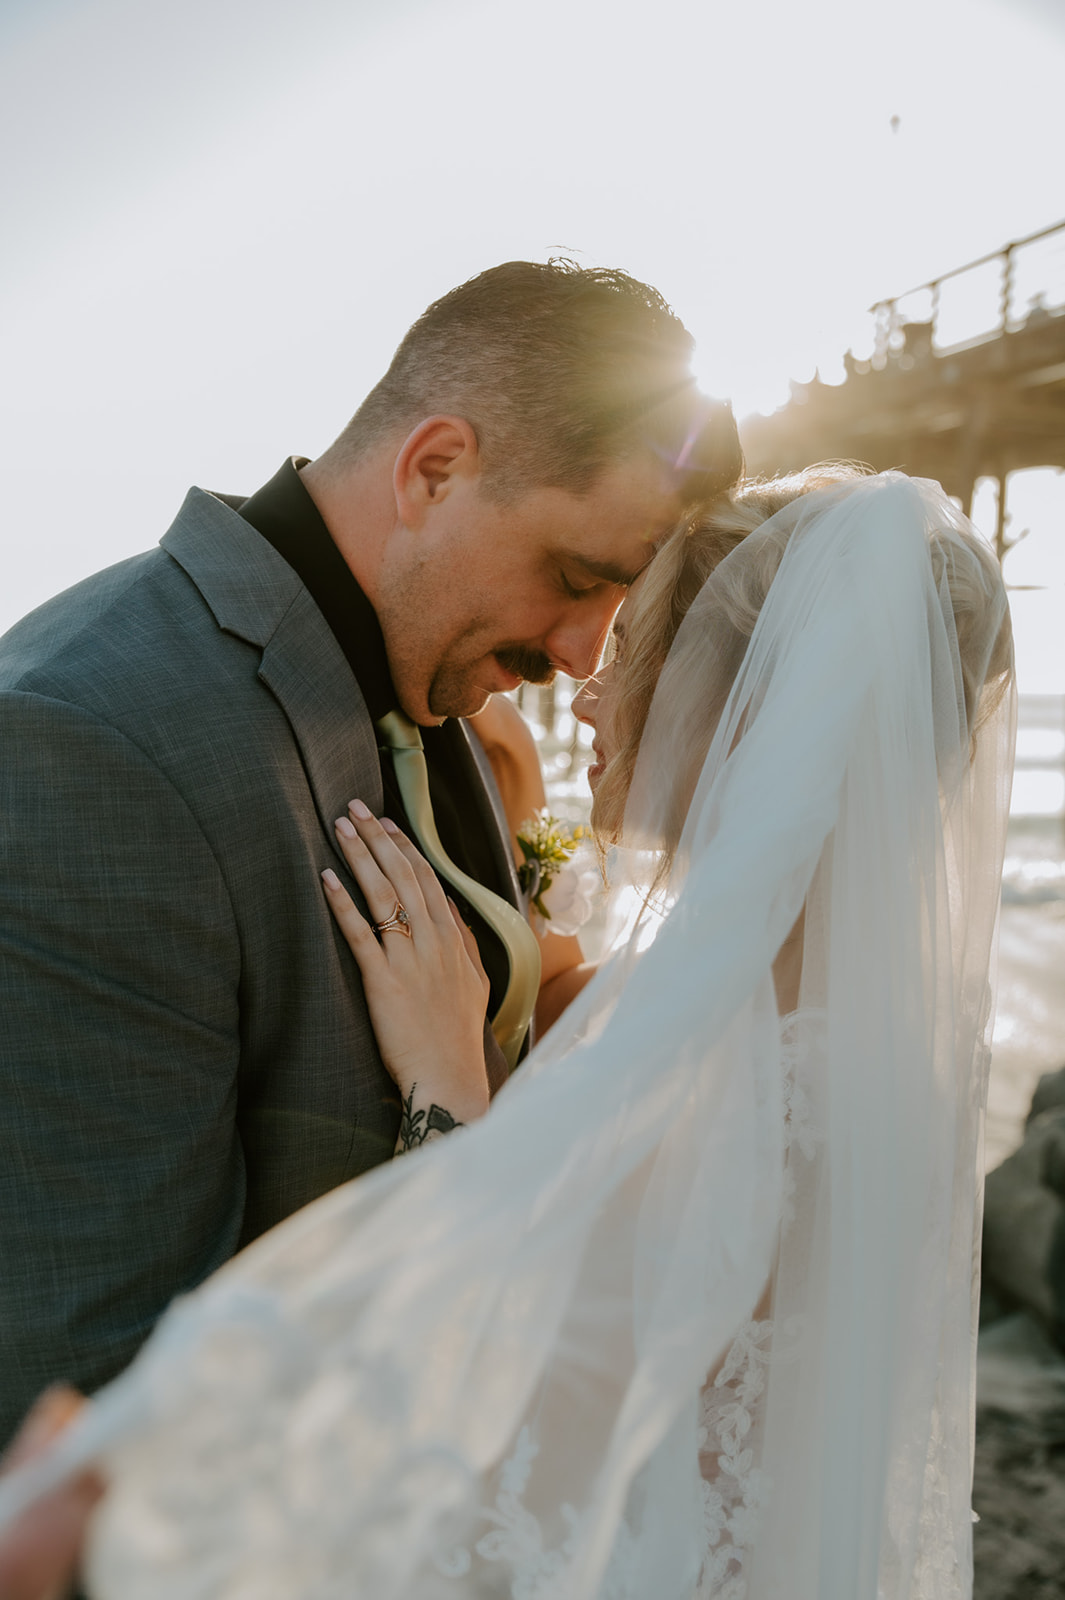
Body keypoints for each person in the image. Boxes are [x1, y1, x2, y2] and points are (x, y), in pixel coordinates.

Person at [0, 467, 1015, 1599]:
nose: (585, 688)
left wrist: (450, 1092)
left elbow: (498, 1416)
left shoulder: (746, 1064)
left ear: (749, 705)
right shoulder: (845, 1036)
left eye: (630, 648)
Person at [0, 259, 743, 1450]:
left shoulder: (430, 679)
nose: (580, 651)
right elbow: (92, 1403)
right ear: (434, 468)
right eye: (574, 578)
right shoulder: (91, 746)